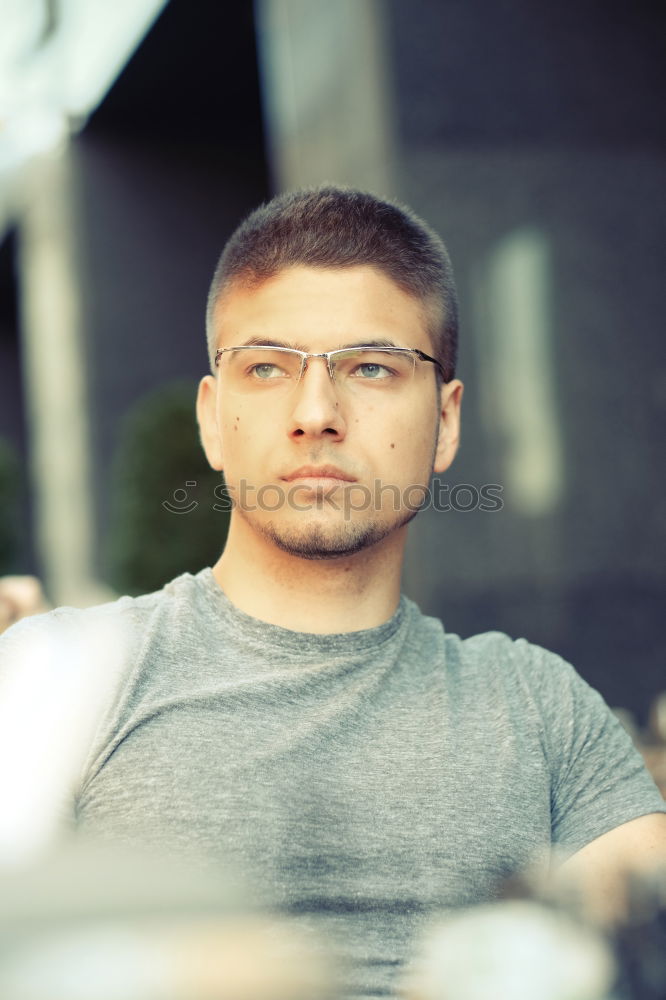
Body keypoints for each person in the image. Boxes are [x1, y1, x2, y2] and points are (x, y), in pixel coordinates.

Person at [1, 187, 664, 998]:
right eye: (268, 368)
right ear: (213, 421)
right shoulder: (58, 677)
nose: (316, 413)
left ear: (446, 423)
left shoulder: (539, 707)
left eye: (372, 368)